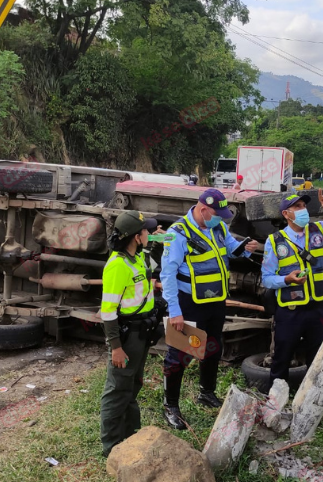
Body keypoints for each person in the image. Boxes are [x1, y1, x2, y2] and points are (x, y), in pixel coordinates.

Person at [160, 189, 260, 429]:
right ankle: (170, 405)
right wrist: (174, 311)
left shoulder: (218, 228)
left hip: (215, 301)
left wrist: (247, 248)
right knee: (180, 355)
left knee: (213, 349)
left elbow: (231, 249)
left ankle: (206, 392)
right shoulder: (177, 234)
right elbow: (167, 274)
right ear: (203, 209)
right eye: (217, 214)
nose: (221, 219)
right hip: (188, 303)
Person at [260, 192, 323, 388]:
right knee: (281, 358)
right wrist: (286, 280)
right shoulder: (275, 241)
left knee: (318, 359)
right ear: (286, 214)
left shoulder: (320, 231)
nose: (302, 209)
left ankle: (312, 400)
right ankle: (275, 402)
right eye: (297, 207)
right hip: (290, 311)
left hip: (319, 309)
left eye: (303, 205)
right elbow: (267, 279)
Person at [99, 211, 162, 458]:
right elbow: (108, 311)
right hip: (126, 338)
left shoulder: (137, 259)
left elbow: (154, 262)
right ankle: (112, 448)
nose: (149, 234)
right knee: (117, 390)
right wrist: (116, 346)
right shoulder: (117, 266)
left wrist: (157, 241)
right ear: (137, 237)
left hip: (141, 334)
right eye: (146, 231)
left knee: (133, 385)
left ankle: (130, 435)